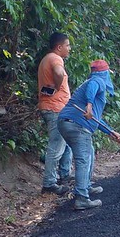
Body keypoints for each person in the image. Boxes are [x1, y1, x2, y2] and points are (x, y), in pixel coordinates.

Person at [57, 60, 120, 210]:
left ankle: (85, 186)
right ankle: (82, 198)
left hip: (65, 123)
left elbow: (95, 119)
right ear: (104, 72)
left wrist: (111, 132)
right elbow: (92, 90)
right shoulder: (96, 81)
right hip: (77, 125)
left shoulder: (89, 82)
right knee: (83, 159)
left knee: (89, 153)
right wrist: (89, 104)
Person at [37, 32, 73, 195]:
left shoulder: (47, 59)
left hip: (54, 107)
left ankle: (64, 175)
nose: (69, 48)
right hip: (55, 109)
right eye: (67, 45)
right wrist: (58, 87)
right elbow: (58, 73)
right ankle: (49, 183)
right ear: (59, 47)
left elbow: (46, 87)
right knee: (56, 147)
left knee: (65, 143)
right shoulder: (56, 59)